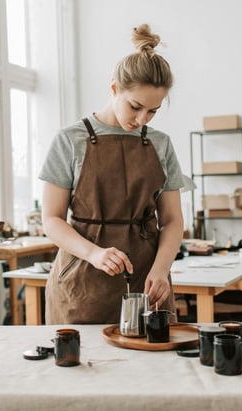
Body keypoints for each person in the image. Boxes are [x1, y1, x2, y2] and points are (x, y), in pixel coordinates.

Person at [39, 24, 184, 324]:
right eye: (135, 106)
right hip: (82, 277)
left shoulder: (161, 144)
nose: (142, 119)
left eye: (153, 111)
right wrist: (94, 254)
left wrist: (160, 270)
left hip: (147, 276)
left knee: (155, 366)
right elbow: (51, 220)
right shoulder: (69, 140)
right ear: (115, 87)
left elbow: (172, 221)